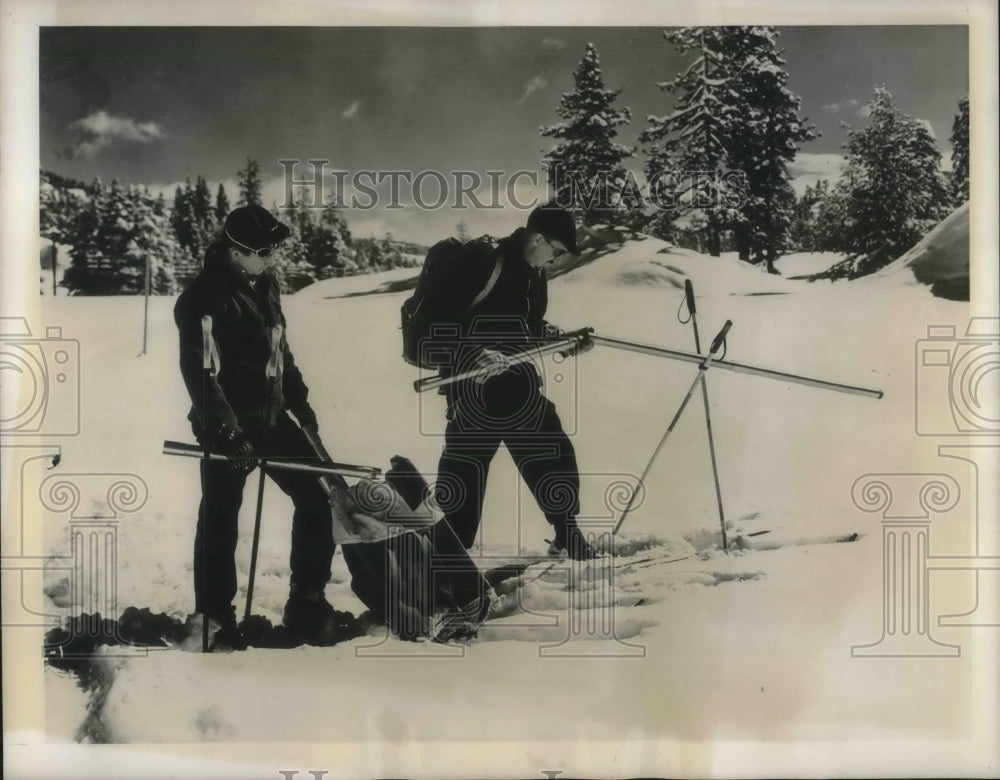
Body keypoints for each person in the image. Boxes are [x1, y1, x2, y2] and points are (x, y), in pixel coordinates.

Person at [174, 205, 336, 649]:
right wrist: (228, 434)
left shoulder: (264, 285)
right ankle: (213, 615)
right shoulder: (202, 298)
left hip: (271, 419)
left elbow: (281, 353)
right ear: (234, 251)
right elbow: (200, 374)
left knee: (316, 498)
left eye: (274, 249)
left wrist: (300, 406)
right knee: (221, 516)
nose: (272, 258)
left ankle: (307, 600)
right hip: (224, 424)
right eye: (264, 251)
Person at [423, 203, 595, 560]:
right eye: (558, 251)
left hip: (517, 382)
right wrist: (474, 354)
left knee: (552, 449)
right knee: (465, 475)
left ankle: (568, 532)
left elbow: (528, 327)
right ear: (537, 239)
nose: (558, 260)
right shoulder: (484, 260)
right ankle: (442, 560)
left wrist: (563, 340)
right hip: (472, 388)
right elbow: (434, 326)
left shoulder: (535, 274)